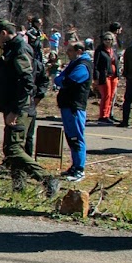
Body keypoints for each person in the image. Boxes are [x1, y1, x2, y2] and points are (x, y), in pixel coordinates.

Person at [0, 20, 58, 196]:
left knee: (13, 148)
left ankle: (46, 178)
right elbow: (6, 81)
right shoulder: (12, 50)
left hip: (20, 108)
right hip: (15, 105)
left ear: (3, 33)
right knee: (13, 148)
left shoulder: (19, 50)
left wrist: (16, 110)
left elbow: (26, 81)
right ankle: (19, 188)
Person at [55, 40, 92, 182]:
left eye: (70, 50)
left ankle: (79, 169)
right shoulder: (73, 64)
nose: (67, 53)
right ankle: (74, 165)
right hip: (67, 105)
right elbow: (58, 79)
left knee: (77, 138)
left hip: (75, 107)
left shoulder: (83, 66)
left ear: (79, 51)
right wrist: (61, 80)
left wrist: (62, 80)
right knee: (71, 137)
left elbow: (68, 81)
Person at [93, 32, 120, 124]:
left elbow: (116, 62)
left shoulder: (113, 50)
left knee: (111, 96)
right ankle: (103, 116)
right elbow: (95, 65)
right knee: (106, 95)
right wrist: (96, 78)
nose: (107, 41)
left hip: (113, 76)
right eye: (105, 39)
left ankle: (108, 115)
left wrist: (118, 74)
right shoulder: (100, 50)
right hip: (104, 76)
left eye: (109, 39)